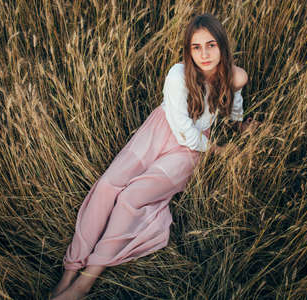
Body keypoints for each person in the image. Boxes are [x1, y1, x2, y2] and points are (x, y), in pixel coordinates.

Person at [50, 13, 259, 299]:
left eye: (211, 45)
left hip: (187, 153)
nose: (205, 54)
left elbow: (233, 103)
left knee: (130, 198)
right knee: (108, 186)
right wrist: (218, 152)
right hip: (159, 133)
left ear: (222, 45)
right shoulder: (178, 75)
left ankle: (85, 281)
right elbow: (181, 126)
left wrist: (239, 124)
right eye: (196, 47)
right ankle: (70, 270)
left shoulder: (229, 77)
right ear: (188, 51)